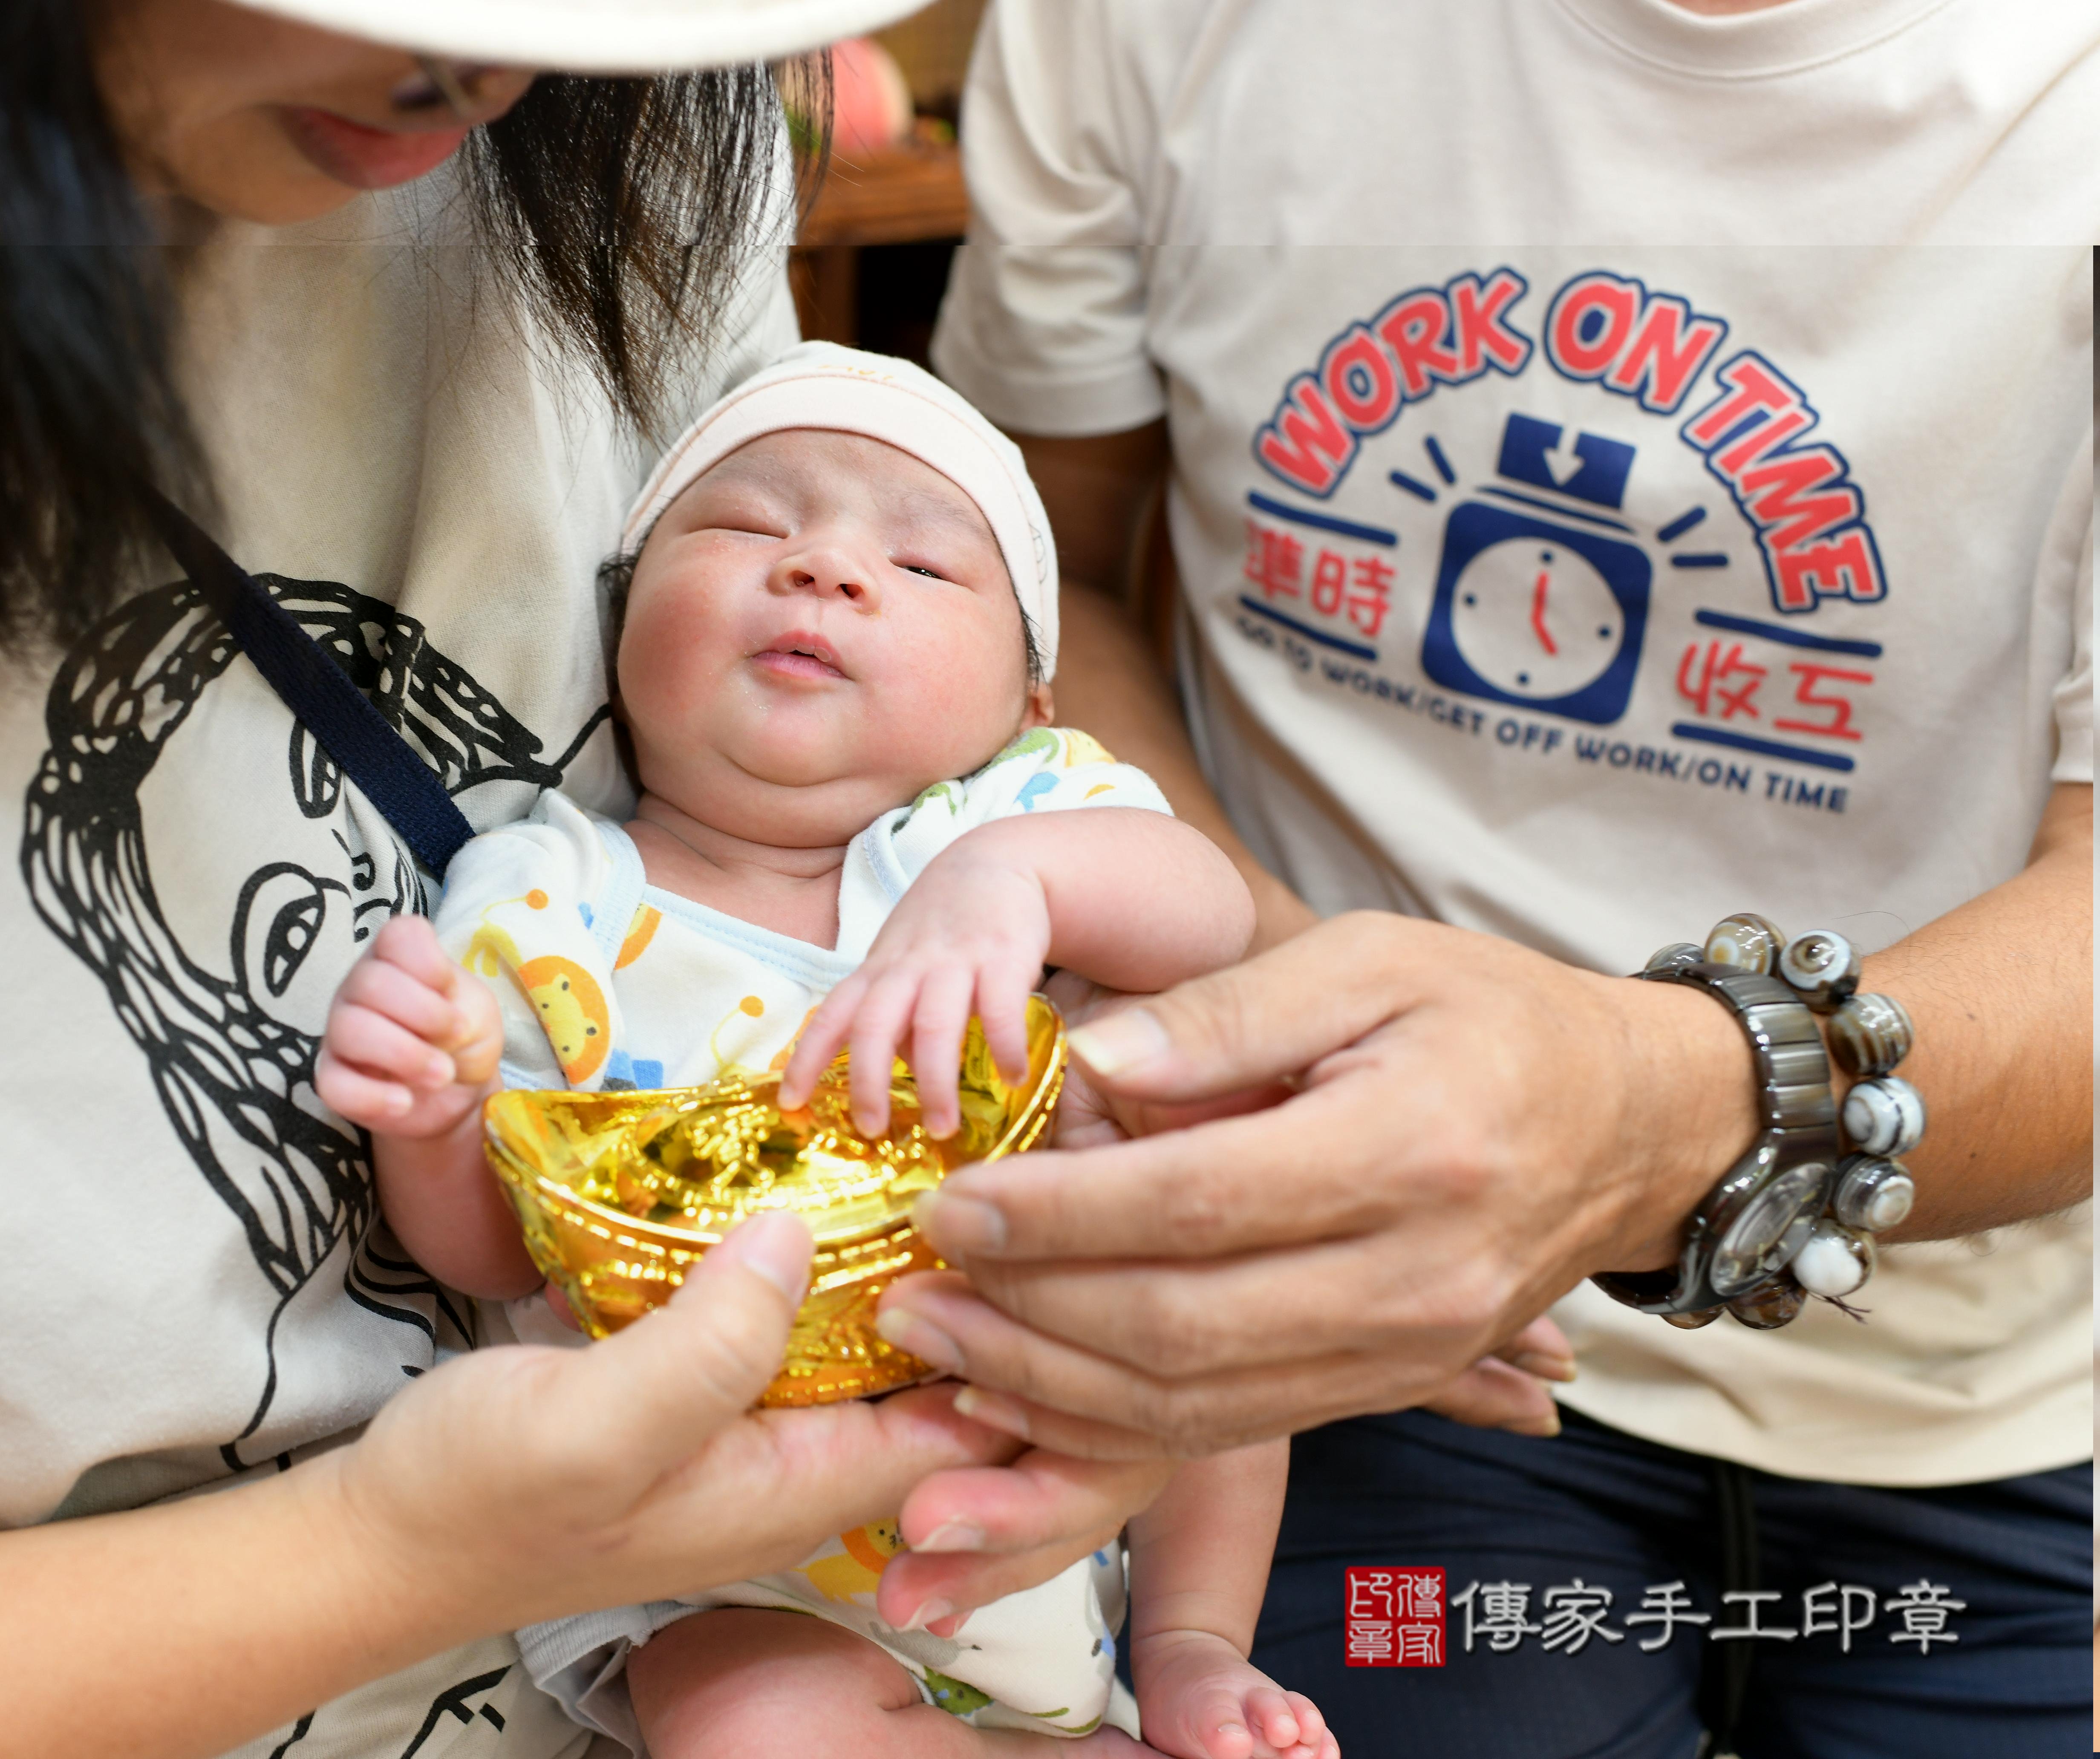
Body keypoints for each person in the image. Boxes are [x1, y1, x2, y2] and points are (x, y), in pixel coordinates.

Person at [0, 5, 1176, 1755]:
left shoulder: (621, 103)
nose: (493, 71)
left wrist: (1361, 1040)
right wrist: (389, 1552)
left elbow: (1018, 766)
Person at [881, 0, 2096, 1752]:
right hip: (1342, 1338)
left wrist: (1630, 1115)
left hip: (1991, 1374)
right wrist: (1289, 998)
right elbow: (1046, 565)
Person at [317, 343, 1332, 1759]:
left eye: (924, 570)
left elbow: (1210, 920)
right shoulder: (551, 900)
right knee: (749, 1727)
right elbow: (494, 1259)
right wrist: (427, 1119)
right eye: (748, 527)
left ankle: (1190, 1643)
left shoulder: (1017, 811)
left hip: (1061, 1427)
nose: (829, 571)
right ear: (617, 625)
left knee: (1220, 1295)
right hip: (720, 1553)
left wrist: (1018, 887)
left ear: (1029, 698)